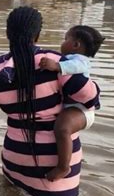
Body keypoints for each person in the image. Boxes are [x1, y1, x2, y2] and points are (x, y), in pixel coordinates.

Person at [0, 6, 100, 196]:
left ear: (7, 33)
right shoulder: (57, 64)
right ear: (37, 35)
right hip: (55, 170)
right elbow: (90, 97)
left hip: (15, 161)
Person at [39, 25, 104, 181]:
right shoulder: (69, 60)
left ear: (76, 45)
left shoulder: (79, 61)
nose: (63, 42)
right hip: (74, 107)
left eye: (66, 39)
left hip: (81, 110)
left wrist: (57, 66)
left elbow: (78, 67)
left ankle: (63, 167)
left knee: (62, 128)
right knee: (60, 127)